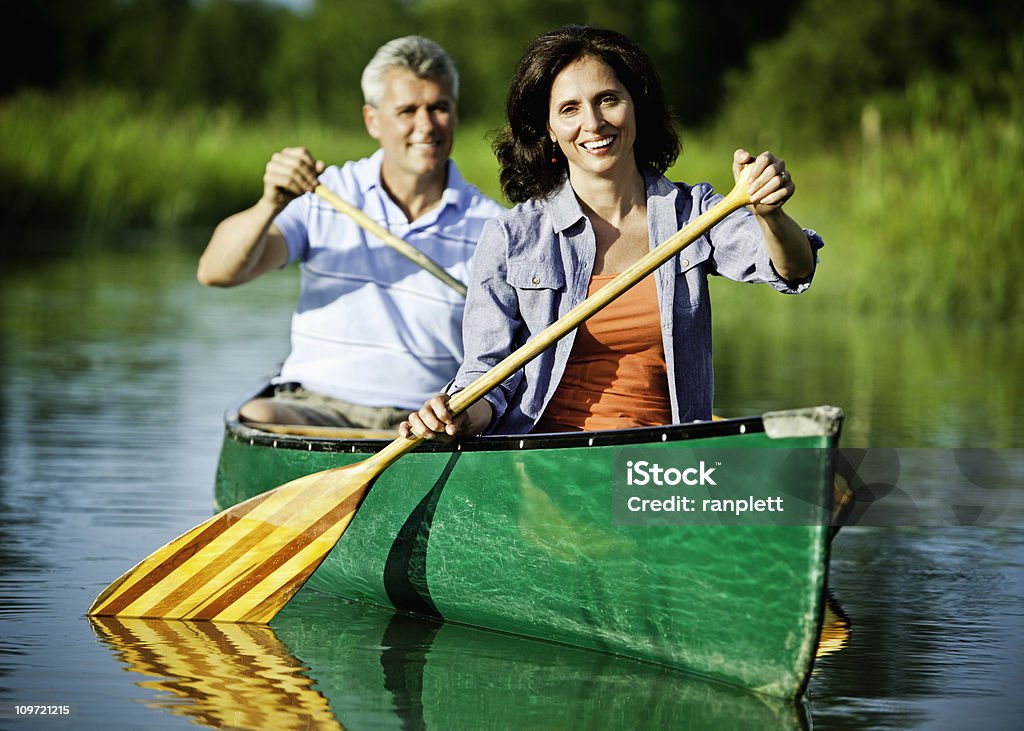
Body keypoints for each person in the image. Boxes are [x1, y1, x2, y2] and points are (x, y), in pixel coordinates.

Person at [401, 24, 822, 441]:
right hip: (538, 462)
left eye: (607, 100)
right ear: (548, 128)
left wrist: (769, 215)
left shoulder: (695, 215)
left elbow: (793, 269)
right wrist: (456, 416)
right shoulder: (512, 236)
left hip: (661, 467)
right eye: (569, 109)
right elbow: (486, 376)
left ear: (635, 106)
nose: (594, 123)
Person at [197, 36, 504, 430]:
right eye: (407, 110)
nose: (425, 126)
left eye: (439, 108)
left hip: (421, 422)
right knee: (258, 417)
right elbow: (216, 272)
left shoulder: (493, 226)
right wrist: (270, 203)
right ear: (372, 120)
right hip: (312, 409)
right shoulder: (325, 194)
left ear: (455, 115)